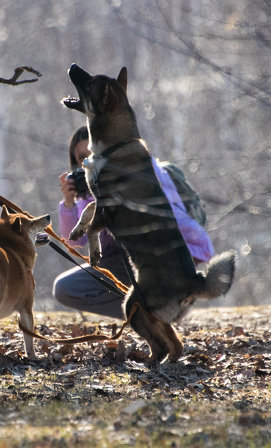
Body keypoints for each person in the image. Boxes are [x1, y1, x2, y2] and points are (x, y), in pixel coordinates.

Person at [51, 127, 215, 319]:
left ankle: (169, 303)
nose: (89, 162)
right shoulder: (88, 196)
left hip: (164, 258)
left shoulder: (141, 172)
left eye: (93, 154)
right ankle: (148, 314)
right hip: (122, 264)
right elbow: (75, 242)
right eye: (82, 159)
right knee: (65, 289)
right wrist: (69, 205)